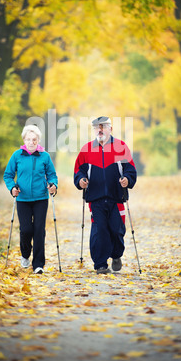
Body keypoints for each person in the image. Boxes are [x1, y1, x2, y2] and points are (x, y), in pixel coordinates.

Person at [74, 116, 137, 274]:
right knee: (99, 229)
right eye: (96, 127)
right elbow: (78, 170)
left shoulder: (120, 147)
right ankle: (100, 264)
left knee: (116, 230)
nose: (100, 130)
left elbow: (130, 169)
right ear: (94, 130)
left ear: (110, 129)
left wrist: (127, 180)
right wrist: (81, 180)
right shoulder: (87, 149)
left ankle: (116, 255)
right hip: (95, 198)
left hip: (117, 198)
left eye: (103, 126)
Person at [4, 124, 58, 274]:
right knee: (26, 229)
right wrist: (12, 187)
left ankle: (39, 264)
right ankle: (25, 255)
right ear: (24, 140)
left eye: (34, 139)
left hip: (41, 198)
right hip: (23, 198)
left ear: (38, 140)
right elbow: (8, 175)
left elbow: (52, 175)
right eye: (28, 139)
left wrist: (53, 185)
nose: (31, 142)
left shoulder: (45, 156)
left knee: (39, 230)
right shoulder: (17, 155)